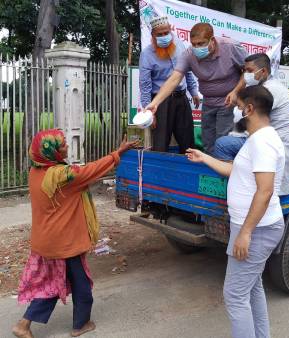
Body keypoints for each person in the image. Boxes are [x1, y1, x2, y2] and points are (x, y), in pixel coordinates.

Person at [12, 129, 140, 338]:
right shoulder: (63, 177)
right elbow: (92, 170)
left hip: (46, 241)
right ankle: (80, 324)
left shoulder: (36, 172)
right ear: (51, 151)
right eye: (63, 145)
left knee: (54, 283)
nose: (67, 147)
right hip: (65, 243)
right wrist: (119, 152)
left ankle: (24, 324)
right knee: (81, 286)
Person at [186, 85, 285, 338]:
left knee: (234, 295)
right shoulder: (257, 139)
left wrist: (246, 233)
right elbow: (236, 171)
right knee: (252, 288)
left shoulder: (262, 142)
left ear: (250, 109)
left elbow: (265, 191)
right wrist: (204, 157)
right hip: (253, 227)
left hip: (256, 229)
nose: (237, 113)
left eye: (239, 108)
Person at [145, 22, 248, 154]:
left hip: (229, 101)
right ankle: (209, 172)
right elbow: (174, 79)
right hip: (208, 103)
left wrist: (236, 91)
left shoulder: (231, 47)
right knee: (207, 142)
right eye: (193, 44)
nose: (197, 47)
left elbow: (248, 70)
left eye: (201, 43)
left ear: (212, 40)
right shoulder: (189, 54)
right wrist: (155, 103)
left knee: (223, 140)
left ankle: (223, 172)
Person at [219, 53, 289, 195]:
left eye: (249, 71)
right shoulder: (265, 87)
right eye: (244, 71)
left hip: (282, 142)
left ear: (264, 71)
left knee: (223, 144)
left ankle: (236, 185)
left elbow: (244, 117)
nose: (246, 75)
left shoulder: (270, 90)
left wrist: (238, 107)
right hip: (273, 139)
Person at [139, 16, 200, 153]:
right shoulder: (147, 54)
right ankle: (159, 174)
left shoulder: (179, 44)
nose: (164, 36)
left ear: (170, 30)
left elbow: (187, 70)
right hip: (161, 103)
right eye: (159, 34)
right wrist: (150, 113)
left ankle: (188, 172)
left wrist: (194, 91)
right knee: (160, 144)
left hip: (182, 98)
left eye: (166, 32)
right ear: (153, 35)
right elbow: (145, 86)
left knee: (188, 142)